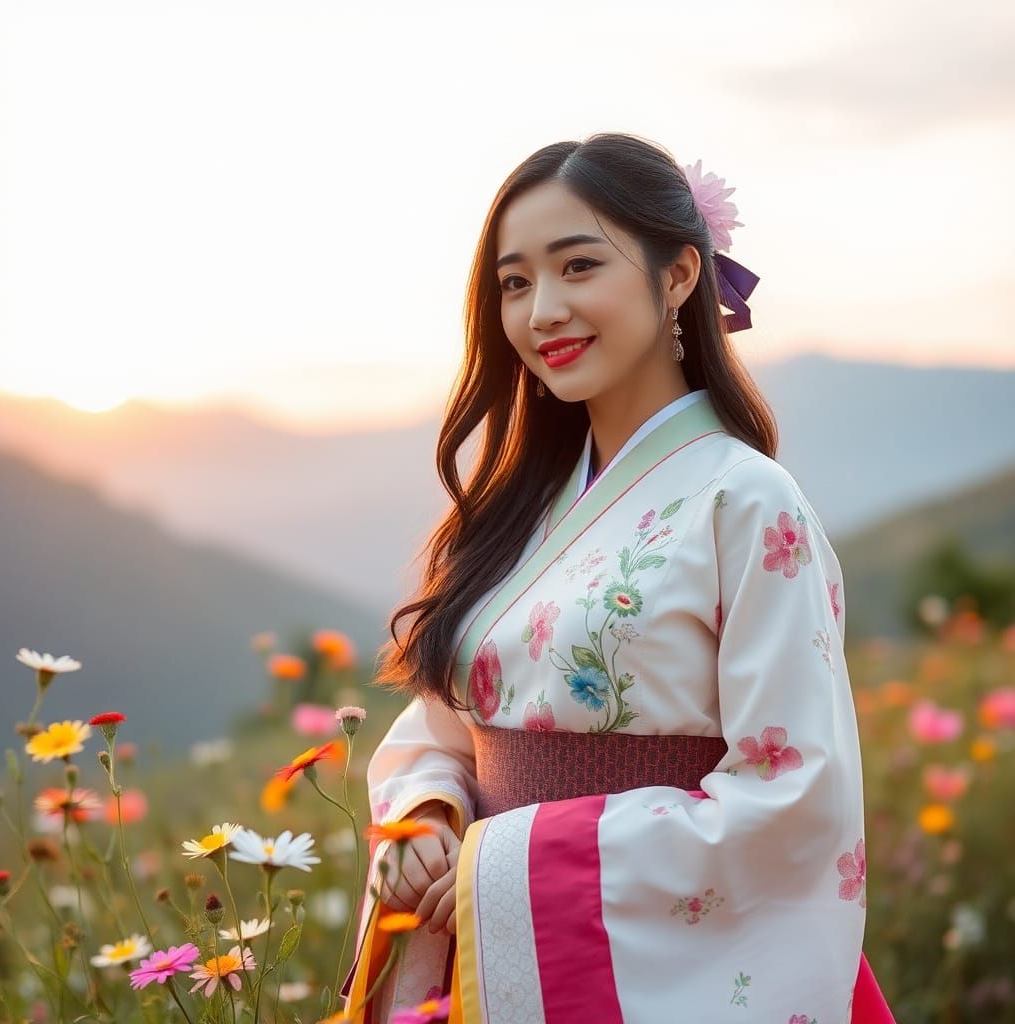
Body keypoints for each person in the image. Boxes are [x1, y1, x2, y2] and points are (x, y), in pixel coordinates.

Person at [341, 133, 895, 1023]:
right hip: (487, 953)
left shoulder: (747, 501)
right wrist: (427, 815)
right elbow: (447, 720)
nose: (542, 311)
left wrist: (509, 867)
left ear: (678, 275)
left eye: (578, 266)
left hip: (628, 970)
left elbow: (792, 798)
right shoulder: (516, 510)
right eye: (515, 283)